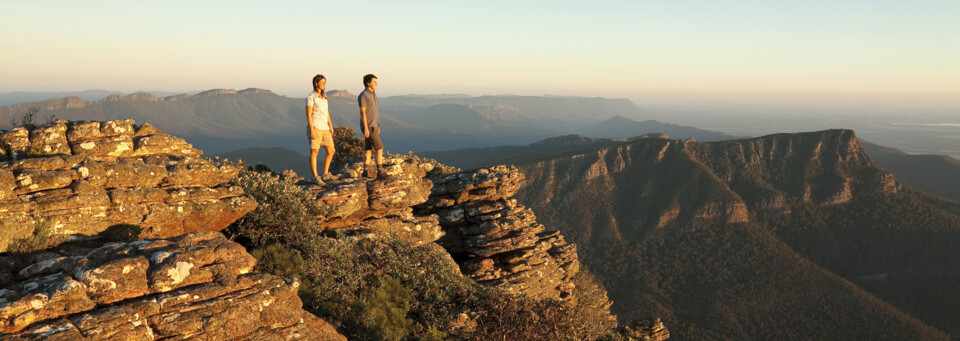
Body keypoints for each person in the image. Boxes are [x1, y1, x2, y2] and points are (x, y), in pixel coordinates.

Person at [306, 74, 336, 185]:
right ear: (316, 83)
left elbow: (326, 112)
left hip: (325, 127)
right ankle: (315, 176)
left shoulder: (324, 96)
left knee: (331, 150)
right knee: (315, 151)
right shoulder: (311, 97)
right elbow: (309, 114)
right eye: (322, 82)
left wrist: (330, 125)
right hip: (316, 126)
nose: (324, 84)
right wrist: (312, 130)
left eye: (324, 82)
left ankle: (325, 173)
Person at [358, 73, 384, 177]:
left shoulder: (374, 94)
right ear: (368, 83)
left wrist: (378, 125)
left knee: (368, 148)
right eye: (374, 82)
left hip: (374, 125)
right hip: (368, 126)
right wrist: (366, 128)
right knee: (379, 148)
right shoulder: (364, 95)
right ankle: (380, 172)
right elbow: (362, 112)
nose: (376, 84)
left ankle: (365, 172)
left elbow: (375, 111)